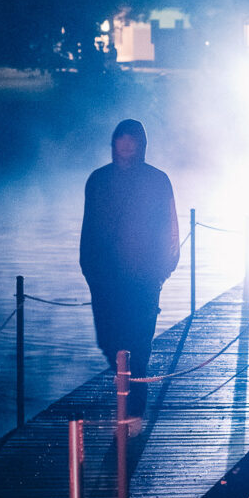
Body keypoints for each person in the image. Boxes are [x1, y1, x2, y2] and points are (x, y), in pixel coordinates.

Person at [79, 119, 180, 422]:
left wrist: (163, 269)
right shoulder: (98, 180)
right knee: (109, 341)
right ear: (113, 143)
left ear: (141, 144)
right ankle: (125, 391)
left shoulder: (157, 180)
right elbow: (89, 228)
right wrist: (89, 269)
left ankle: (133, 410)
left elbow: (170, 227)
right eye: (120, 139)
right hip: (105, 279)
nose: (125, 145)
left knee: (137, 343)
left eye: (131, 139)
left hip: (144, 278)